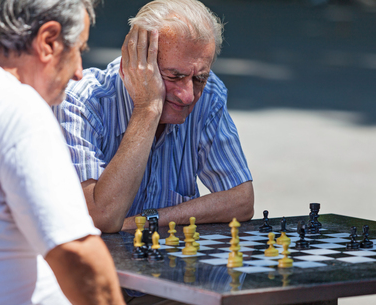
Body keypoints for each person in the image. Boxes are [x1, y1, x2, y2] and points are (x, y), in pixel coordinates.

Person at [0, 0, 127, 305]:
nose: (78, 72)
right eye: (79, 50)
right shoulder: (17, 106)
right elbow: (76, 252)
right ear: (48, 41)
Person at [54, 0, 254, 233]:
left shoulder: (209, 93)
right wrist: (147, 107)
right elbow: (99, 217)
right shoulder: (78, 102)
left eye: (199, 78)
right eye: (174, 76)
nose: (188, 95)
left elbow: (241, 200)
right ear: (135, 64)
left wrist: (150, 219)